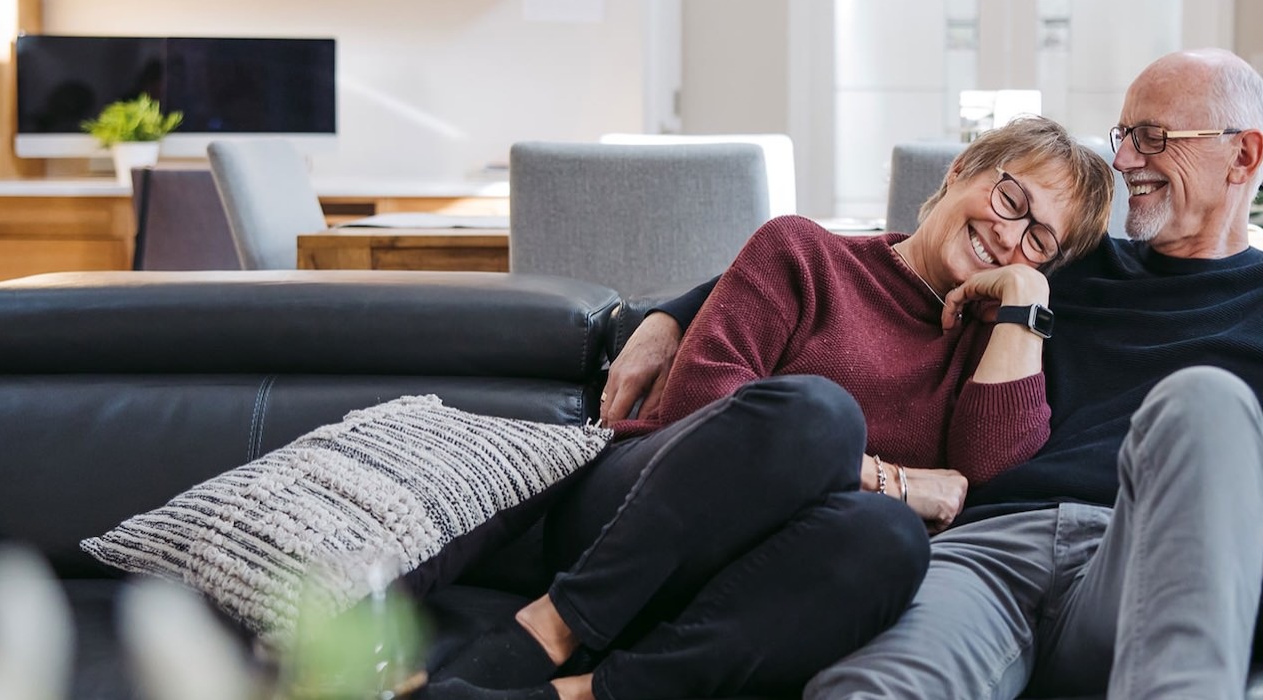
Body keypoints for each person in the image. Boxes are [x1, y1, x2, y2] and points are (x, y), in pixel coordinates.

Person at [605, 49, 1263, 699]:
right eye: (1123, 134)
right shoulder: (1068, 259)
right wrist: (666, 312)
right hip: (979, 553)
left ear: (1243, 156)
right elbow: (867, 261)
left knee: (1207, 401)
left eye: (1154, 137)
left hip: (1143, 554)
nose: (1127, 158)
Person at [431, 116, 1115, 700]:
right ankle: (552, 627)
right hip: (644, 513)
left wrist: (1023, 300)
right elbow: (702, 406)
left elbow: (990, 481)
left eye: (1039, 242)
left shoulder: (998, 350)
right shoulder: (803, 251)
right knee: (817, 416)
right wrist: (894, 481)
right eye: (1010, 200)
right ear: (964, 169)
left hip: (766, 581)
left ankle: (588, 692)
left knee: (890, 542)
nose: (1009, 236)